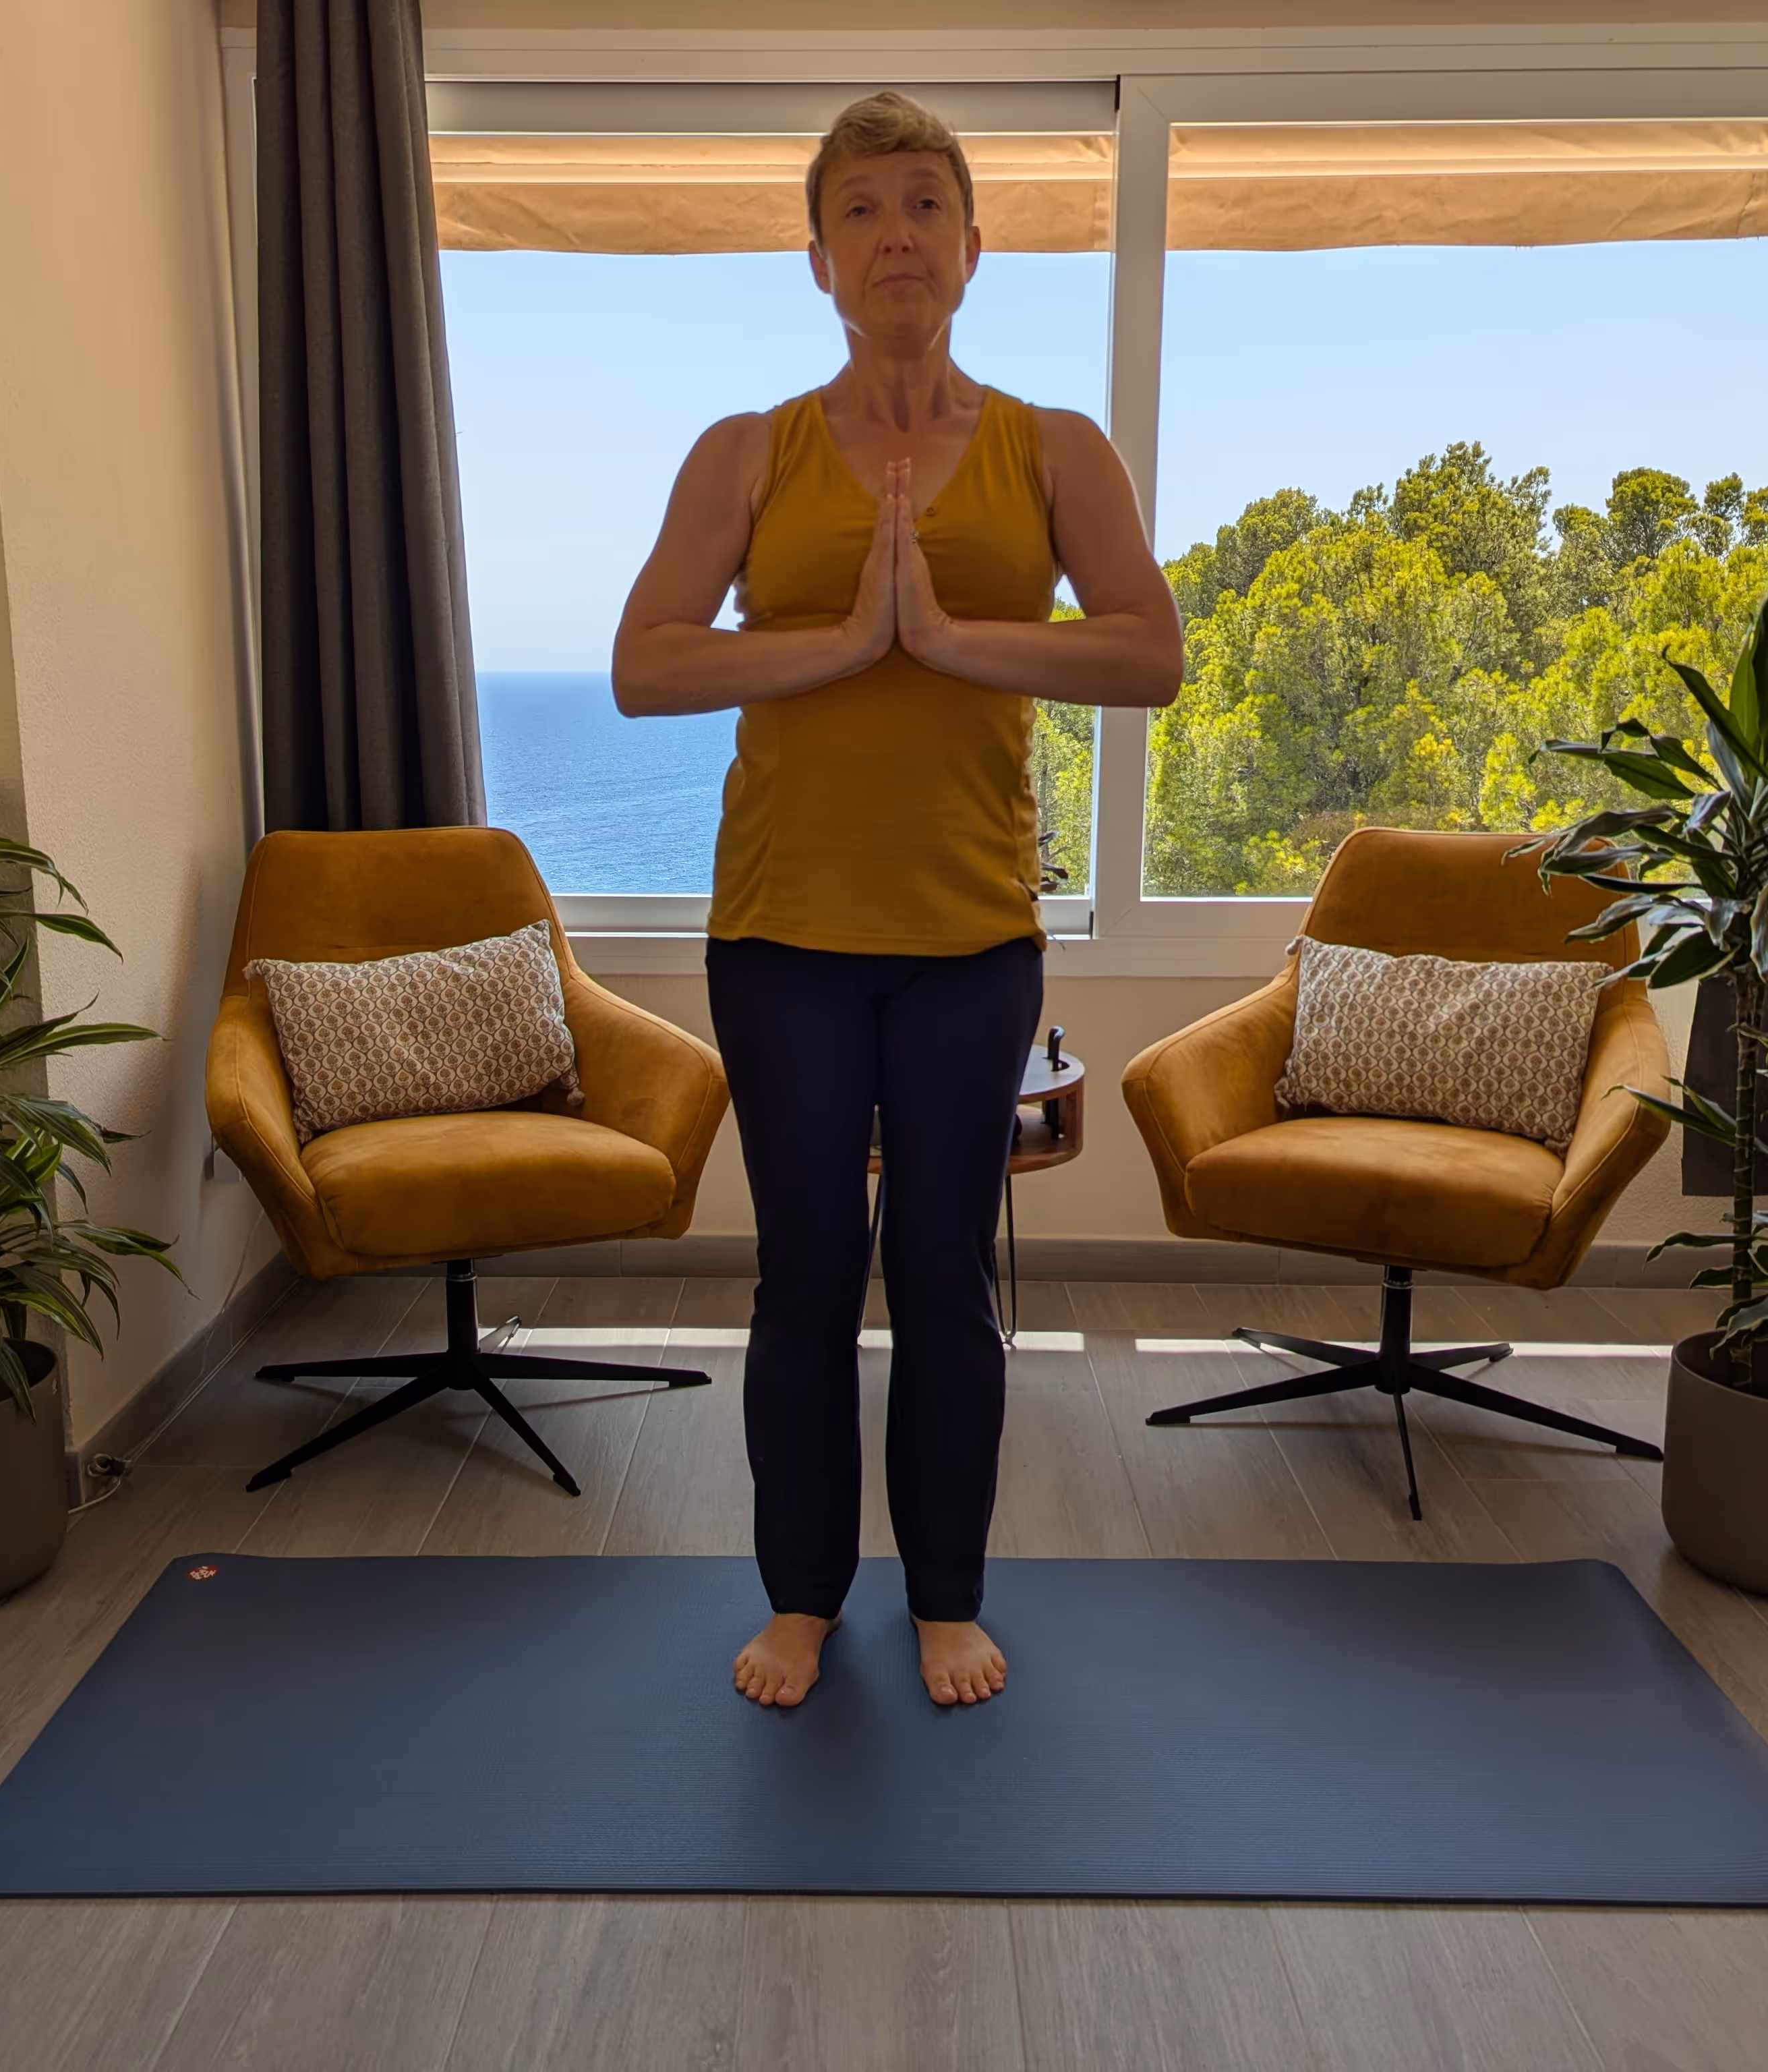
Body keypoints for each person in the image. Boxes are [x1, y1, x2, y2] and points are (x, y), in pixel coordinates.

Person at [612, 91, 1181, 1709]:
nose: (896, 236)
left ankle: (945, 1596)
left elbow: (1150, 652)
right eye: (860, 210)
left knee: (945, 1277)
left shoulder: (1054, 449)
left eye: (925, 203)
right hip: (780, 936)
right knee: (804, 1274)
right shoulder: (747, 454)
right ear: (818, 259)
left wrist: (949, 637)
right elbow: (645, 665)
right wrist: (840, 644)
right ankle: (801, 1597)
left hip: (969, 942)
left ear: (975, 247)